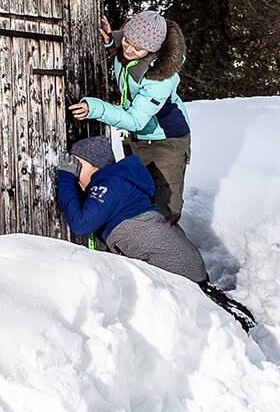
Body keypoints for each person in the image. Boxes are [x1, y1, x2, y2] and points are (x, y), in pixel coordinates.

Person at [53, 136, 255, 331]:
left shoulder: (108, 185)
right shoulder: (116, 183)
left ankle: (233, 326)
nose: (75, 172)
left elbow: (80, 223)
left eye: (78, 165)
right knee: (207, 308)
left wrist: (65, 177)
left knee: (205, 320)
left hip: (175, 269)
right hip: (181, 263)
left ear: (94, 165)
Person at [68, 10, 190, 223]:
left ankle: (163, 251)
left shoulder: (161, 77)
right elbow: (127, 42)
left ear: (155, 49)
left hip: (166, 142)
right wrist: (113, 40)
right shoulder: (125, 47)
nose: (129, 50)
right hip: (136, 139)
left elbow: (135, 120)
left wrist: (96, 109)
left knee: (165, 207)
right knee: (135, 196)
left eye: (138, 48)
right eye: (127, 41)